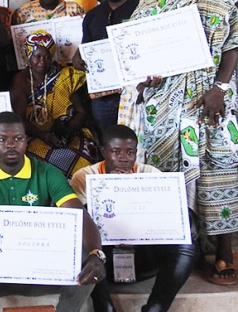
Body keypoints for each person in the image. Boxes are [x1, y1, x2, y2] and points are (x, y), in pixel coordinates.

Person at [118, 0, 238, 285]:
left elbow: (236, 44)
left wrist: (220, 88)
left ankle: (223, 255)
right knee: (166, 182)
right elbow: (137, 52)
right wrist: (143, 78)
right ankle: (177, 254)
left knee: (218, 174)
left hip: (208, 105)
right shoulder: (148, 3)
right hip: (162, 113)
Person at [0, 112, 105, 312]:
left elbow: (79, 216)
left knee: (87, 256)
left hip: (43, 272)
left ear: (26, 140)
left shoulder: (47, 172)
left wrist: (96, 253)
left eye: (18, 139)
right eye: (2, 139)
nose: (11, 145)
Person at [70, 125, 197, 312]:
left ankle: (156, 308)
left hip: (143, 256)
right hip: (104, 260)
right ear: (104, 151)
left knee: (187, 245)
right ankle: (104, 306)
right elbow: (81, 221)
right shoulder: (84, 177)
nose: (123, 158)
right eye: (116, 152)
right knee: (77, 242)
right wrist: (111, 187)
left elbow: (167, 217)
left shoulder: (150, 174)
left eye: (130, 152)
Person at [10, 31, 99, 178]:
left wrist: (67, 131)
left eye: (47, 56)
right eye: (37, 57)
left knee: (85, 157)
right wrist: (45, 135)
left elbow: (80, 111)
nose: (42, 61)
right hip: (36, 135)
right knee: (37, 161)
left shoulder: (64, 76)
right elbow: (18, 120)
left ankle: (80, 197)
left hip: (67, 132)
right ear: (29, 57)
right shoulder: (20, 81)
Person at [72, 0, 139, 134]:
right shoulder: (92, 16)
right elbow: (85, 47)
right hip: (103, 97)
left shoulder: (141, 9)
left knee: (138, 143)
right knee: (107, 141)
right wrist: (77, 58)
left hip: (136, 94)